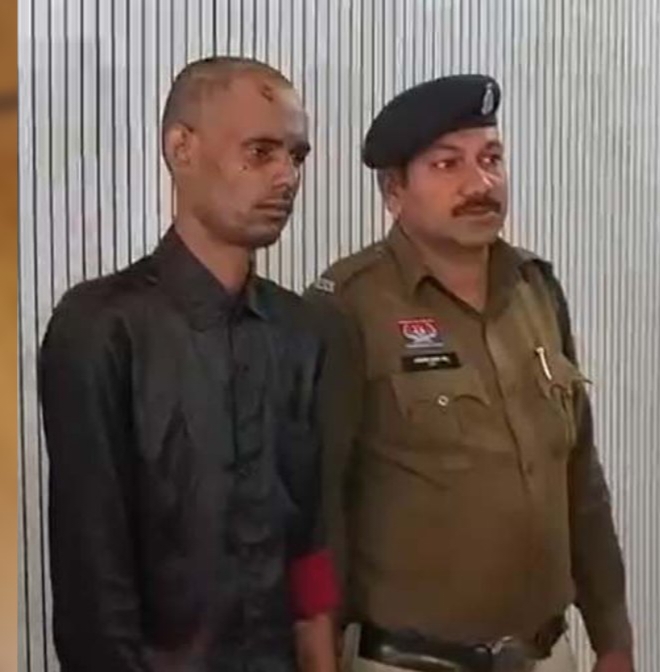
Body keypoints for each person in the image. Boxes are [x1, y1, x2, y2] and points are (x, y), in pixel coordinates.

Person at [305, 75, 634, 672]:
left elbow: (580, 480)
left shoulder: (536, 290)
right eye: (447, 164)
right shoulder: (349, 307)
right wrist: (317, 658)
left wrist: (612, 638)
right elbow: (313, 507)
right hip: (410, 662)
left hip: (545, 654)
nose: (480, 184)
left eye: (491, 159)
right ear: (394, 191)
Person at [39, 56, 338, 672]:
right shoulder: (102, 327)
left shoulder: (301, 330)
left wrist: (320, 651)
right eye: (260, 152)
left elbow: (311, 532)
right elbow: (91, 570)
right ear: (182, 149)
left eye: (296, 156)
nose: (286, 177)